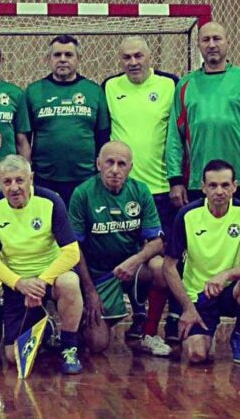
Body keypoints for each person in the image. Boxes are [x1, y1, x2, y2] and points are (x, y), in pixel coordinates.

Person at [102, 36, 180, 342]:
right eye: (126, 57)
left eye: (138, 56)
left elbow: (179, 135)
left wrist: (176, 179)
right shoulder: (110, 87)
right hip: (122, 190)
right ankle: (138, 315)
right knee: (128, 255)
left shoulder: (170, 85)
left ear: (150, 57)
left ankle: (170, 319)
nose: (133, 62)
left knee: (163, 259)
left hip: (160, 189)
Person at [0, 155, 84, 375]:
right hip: (19, 283)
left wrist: (41, 282)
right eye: (7, 182)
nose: (14, 187)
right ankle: (45, 328)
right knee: (13, 356)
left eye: (20, 180)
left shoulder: (51, 201)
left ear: (31, 179)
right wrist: (20, 283)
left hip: (51, 276)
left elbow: (72, 252)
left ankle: (69, 347)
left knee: (70, 282)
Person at [70, 141, 172, 357]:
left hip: (130, 269)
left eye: (122, 164)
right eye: (109, 162)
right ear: (98, 164)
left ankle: (148, 332)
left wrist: (134, 261)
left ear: (130, 168)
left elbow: (157, 242)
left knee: (161, 268)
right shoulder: (83, 193)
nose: (115, 170)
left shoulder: (140, 191)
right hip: (97, 275)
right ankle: (83, 319)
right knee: (97, 344)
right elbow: (74, 249)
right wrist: (90, 292)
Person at [163, 160, 240, 365]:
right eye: (213, 185)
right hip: (198, 295)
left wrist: (225, 275)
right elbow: (169, 266)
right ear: (203, 188)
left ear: (234, 186)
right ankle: (204, 331)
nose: (219, 191)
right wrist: (187, 307)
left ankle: (239, 336)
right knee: (196, 355)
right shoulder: (187, 214)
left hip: (230, 291)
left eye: (225, 185)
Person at [166, 22, 240, 209]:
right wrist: (175, 179)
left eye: (217, 39)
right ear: (198, 45)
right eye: (206, 40)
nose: (211, 44)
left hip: (239, 181)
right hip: (196, 182)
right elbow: (174, 136)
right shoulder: (185, 84)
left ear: (228, 42)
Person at [25, 35, 109, 203]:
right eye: (57, 55)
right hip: (44, 178)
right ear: (48, 59)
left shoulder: (94, 91)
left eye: (68, 55)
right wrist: (28, 171)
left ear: (79, 59)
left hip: (86, 178)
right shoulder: (33, 91)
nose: (62, 59)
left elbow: (103, 136)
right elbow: (24, 138)